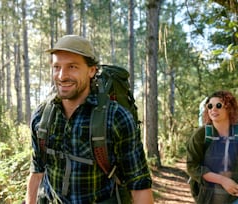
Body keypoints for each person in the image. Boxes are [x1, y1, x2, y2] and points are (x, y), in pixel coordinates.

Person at [25, 35, 153, 204]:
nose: (62, 76)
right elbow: (37, 171)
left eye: (72, 67)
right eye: (57, 67)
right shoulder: (42, 116)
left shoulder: (115, 117)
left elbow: (139, 184)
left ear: (92, 70)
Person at [186, 90, 238, 204]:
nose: (213, 109)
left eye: (218, 106)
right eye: (210, 106)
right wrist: (223, 181)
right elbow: (192, 166)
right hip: (209, 196)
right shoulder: (200, 135)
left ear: (229, 108)